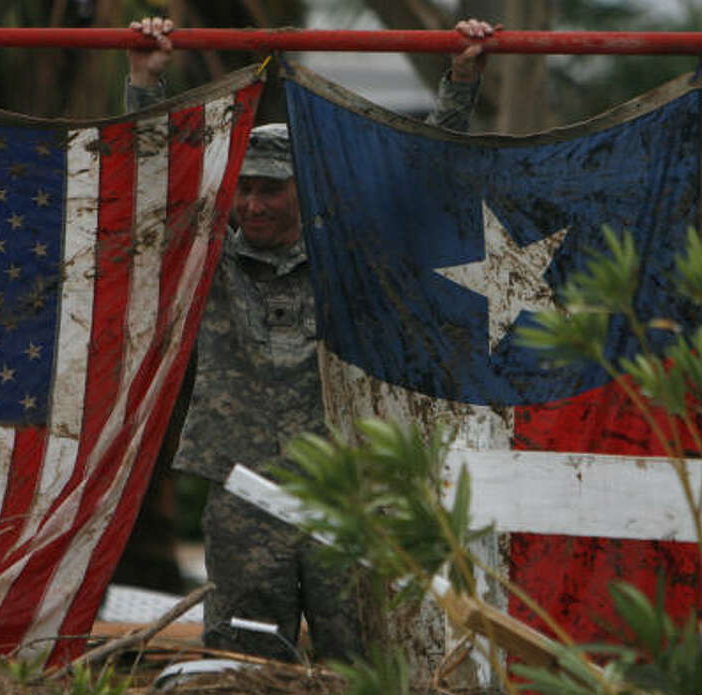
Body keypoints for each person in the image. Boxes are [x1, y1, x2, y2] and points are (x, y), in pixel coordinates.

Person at [126, 16, 495, 662]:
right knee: (246, 660)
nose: (254, 205)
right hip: (242, 488)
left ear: (305, 191)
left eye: (272, 190)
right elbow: (151, 179)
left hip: (342, 489)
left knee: (355, 658)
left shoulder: (351, 259)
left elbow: (424, 183)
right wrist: (143, 80)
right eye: (245, 190)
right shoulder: (207, 259)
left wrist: (461, 79)